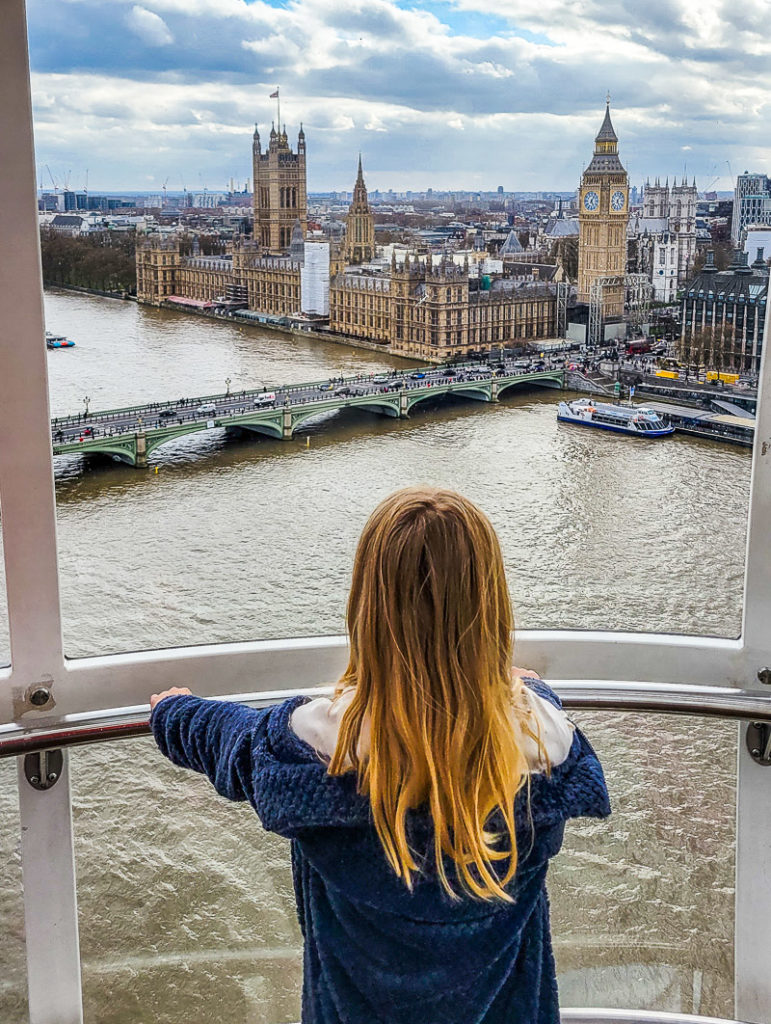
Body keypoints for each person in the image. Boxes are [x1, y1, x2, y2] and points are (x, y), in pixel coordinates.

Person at [150, 487, 610, 1024]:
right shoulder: (545, 743)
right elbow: (536, 720)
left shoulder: (315, 745)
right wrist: (529, 692)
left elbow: (233, 741)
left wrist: (171, 713)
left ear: (366, 608)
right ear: (490, 608)